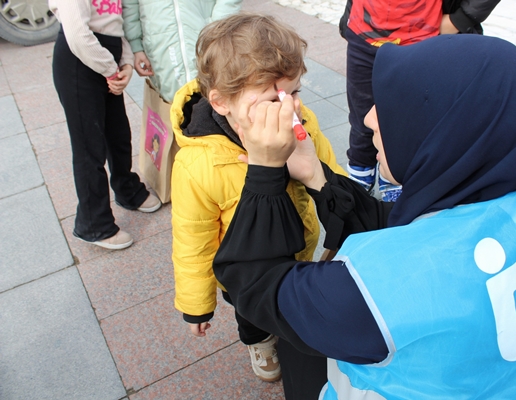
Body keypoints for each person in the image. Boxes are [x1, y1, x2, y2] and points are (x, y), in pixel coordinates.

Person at [212, 34, 516, 399]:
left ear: (445, 133)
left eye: (394, 107)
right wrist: (315, 176)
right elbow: (407, 229)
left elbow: (254, 284)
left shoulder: (375, 295)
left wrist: (265, 170)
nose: (368, 119)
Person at [169, 13, 346, 394]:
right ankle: (259, 342)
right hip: (244, 272)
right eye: (272, 99)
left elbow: (330, 171)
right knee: (253, 315)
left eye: (295, 92)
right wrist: (196, 302)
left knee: (296, 306)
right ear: (221, 102)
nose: (291, 109)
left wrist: (340, 223)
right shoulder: (198, 163)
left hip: (299, 252)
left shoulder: (303, 123)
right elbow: (192, 237)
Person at [341, 0, 500, 202]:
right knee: (361, 116)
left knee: (408, 121)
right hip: (362, 34)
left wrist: (459, 19)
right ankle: (360, 171)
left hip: (423, 39)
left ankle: (395, 177)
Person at [50, 0, 161, 250]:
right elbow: (78, 34)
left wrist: (126, 64)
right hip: (80, 63)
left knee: (118, 134)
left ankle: (127, 189)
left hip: (106, 63)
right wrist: (111, 70)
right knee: (90, 147)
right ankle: (93, 223)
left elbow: (115, 26)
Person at [122, 0, 242, 103]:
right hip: (161, 47)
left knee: (215, 98)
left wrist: (218, 26)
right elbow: (130, 5)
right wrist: (136, 45)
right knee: (171, 104)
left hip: (209, 39)